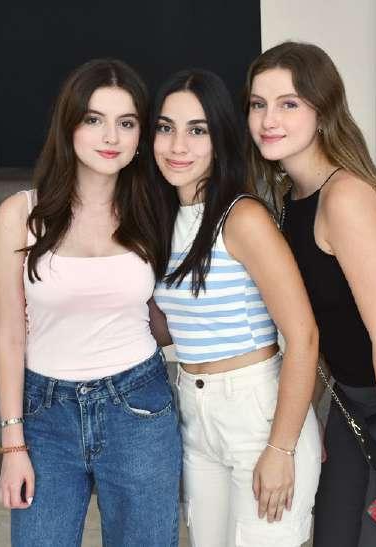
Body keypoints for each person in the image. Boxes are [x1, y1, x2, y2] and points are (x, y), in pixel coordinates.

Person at [245, 41, 376, 546]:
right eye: (258, 103)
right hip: (355, 401)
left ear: (323, 110)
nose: (269, 119)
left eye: (289, 103)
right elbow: (320, 332)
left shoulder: (346, 198)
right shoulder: (292, 199)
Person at [0, 58, 181, 547]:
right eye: (94, 119)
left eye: (126, 123)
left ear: (141, 136)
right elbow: (10, 336)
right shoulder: (21, 215)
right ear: (69, 124)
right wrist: (13, 444)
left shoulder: (155, 211)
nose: (110, 136)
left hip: (138, 407)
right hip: (45, 414)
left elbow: (168, 313)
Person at [149, 68, 321, 547]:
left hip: (257, 413)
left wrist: (281, 447)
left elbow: (304, 337)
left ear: (220, 138)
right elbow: (172, 330)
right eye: (166, 128)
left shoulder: (242, 217)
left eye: (197, 130)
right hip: (193, 409)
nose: (178, 146)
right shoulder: (163, 220)